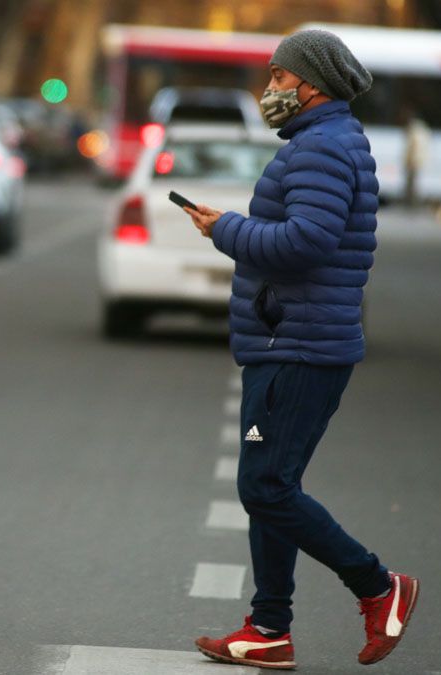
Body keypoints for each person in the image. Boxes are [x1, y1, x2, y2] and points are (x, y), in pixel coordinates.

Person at [183, 29, 418, 670]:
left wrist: (226, 230)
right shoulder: (324, 141)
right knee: (274, 484)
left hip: (299, 343)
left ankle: (378, 586)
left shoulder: (322, 148)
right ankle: (268, 628)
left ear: (312, 84)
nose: (271, 88)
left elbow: (306, 241)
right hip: (291, 336)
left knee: (265, 487)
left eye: (279, 77)